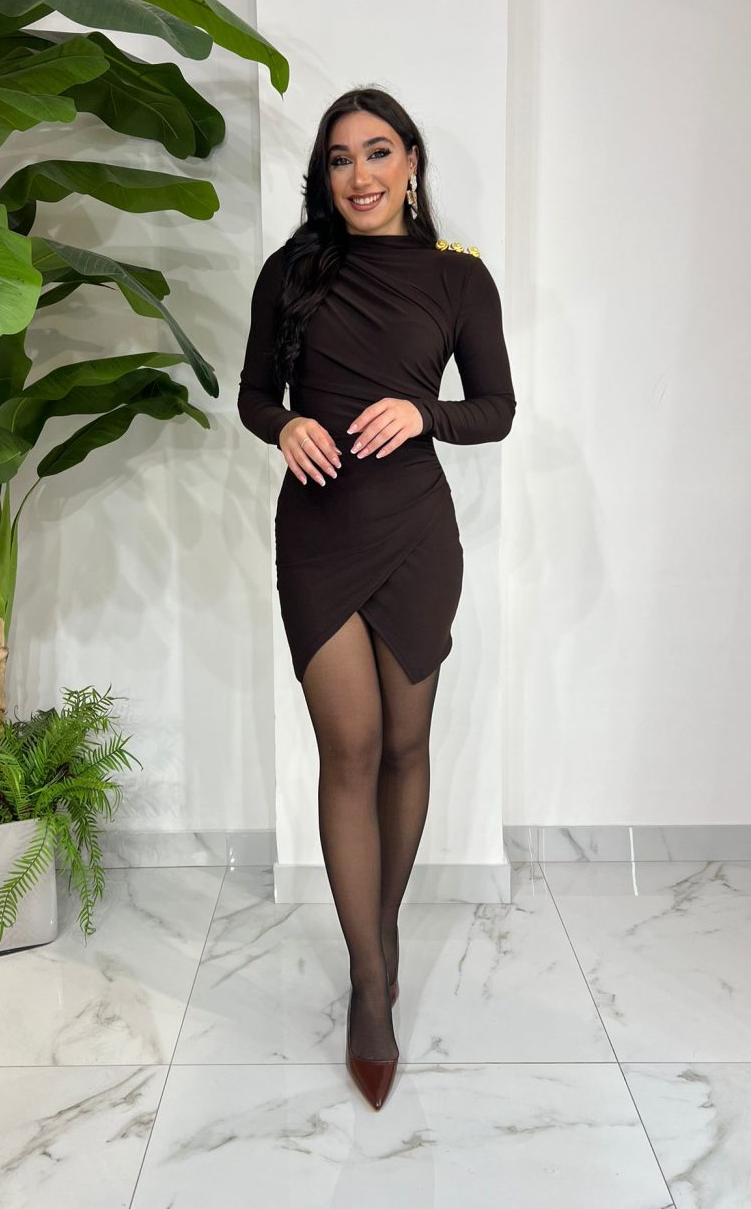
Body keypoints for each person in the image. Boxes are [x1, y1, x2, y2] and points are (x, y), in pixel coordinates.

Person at [237, 87, 516, 1110]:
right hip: (317, 532)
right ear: (325, 174)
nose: (359, 174)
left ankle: (382, 923)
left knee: (405, 744)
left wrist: (423, 411)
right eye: (340, 157)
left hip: (415, 536)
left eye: (378, 152)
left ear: (411, 164)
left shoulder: (458, 278)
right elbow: (251, 392)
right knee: (349, 747)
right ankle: (368, 983)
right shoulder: (291, 270)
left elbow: (497, 408)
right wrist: (281, 426)